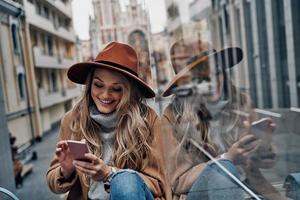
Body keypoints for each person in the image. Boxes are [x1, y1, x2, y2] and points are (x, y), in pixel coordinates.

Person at [160, 38, 287, 200]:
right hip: (201, 194)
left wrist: (264, 147)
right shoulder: (173, 116)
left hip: (248, 189)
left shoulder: (240, 101)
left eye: (217, 72)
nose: (213, 81)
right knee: (222, 172)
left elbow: (261, 165)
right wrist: (227, 159)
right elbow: (177, 182)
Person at [47, 42, 170, 200]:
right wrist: (65, 170)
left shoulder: (148, 119)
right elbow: (52, 181)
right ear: (90, 84)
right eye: (98, 85)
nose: (105, 95)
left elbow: (159, 183)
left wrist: (109, 174)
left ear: (130, 91)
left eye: (116, 89)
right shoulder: (72, 120)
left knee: (126, 181)